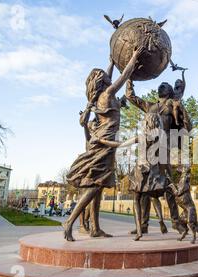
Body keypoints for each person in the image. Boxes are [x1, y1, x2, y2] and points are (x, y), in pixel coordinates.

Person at [62, 46, 145, 241]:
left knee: (97, 188)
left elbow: (111, 74)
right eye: (104, 74)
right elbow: (123, 76)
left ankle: (95, 229)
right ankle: (69, 222)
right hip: (104, 146)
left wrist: (111, 61)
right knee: (94, 186)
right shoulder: (107, 94)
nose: (107, 75)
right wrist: (133, 57)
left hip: (101, 144)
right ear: (102, 81)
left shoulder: (100, 96)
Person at [126, 80, 187, 235]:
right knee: (144, 187)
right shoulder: (150, 106)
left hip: (164, 148)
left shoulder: (172, 104)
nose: (161, 85)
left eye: (165, 85)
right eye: (160, 85)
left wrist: (180, 85)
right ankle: (144, 224)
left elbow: (180, 98)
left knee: (168, 184)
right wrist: (129, 80)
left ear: (170, 91)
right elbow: (130, 96)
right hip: (148, 149)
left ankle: (175, 222)